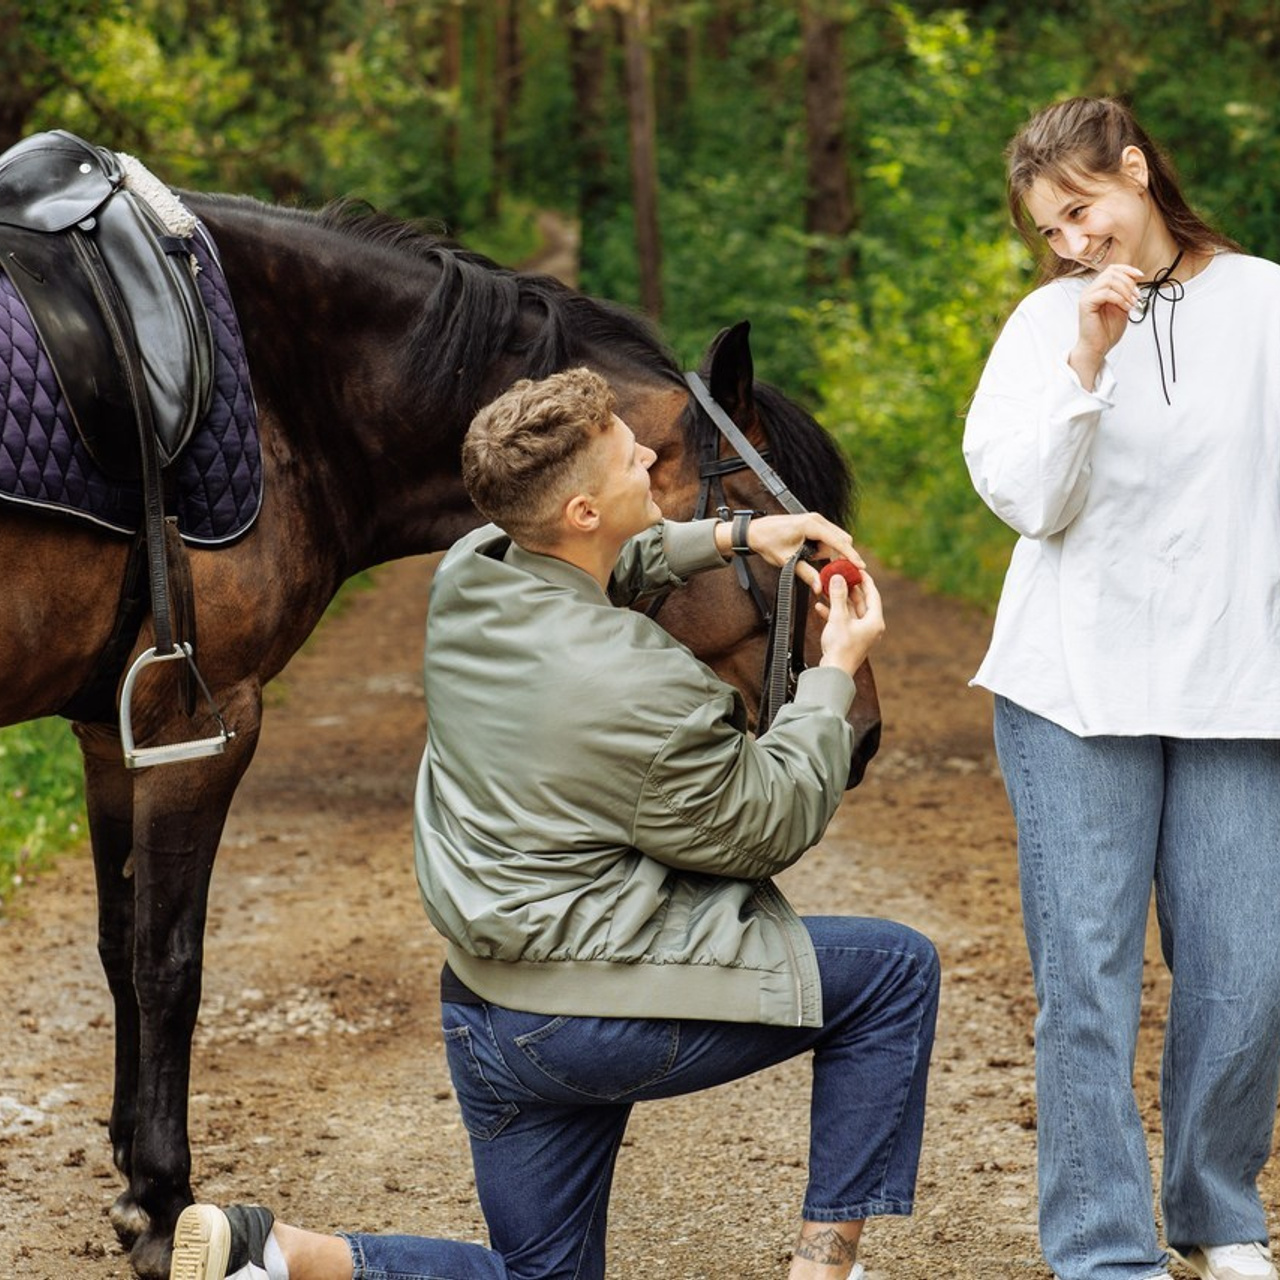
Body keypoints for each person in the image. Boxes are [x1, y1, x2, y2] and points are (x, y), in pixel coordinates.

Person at [170, 367, 940, 1280]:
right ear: (580, 510)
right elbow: (765, 823)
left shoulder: (473, 574)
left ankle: (282, 1256)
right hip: (587, 1016)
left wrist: (738, 532)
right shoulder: (646, 684)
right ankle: (826, 1269)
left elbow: (617, 562)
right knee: (894, 972)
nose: (652, 458)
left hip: (485, 1006)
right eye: (629, 459)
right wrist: (833, 674)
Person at [964, 95, 1280, 1280]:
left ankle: (1214, 1211)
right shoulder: (1043, 323)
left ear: (1135, 173)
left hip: (1237, 683)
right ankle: (1103, 1248)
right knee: (1085, 979)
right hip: (1072, 684)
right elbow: (1029, 499)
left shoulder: (1263, 303)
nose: (1069, 243)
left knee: (1244, 969)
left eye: (1080, 210)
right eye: (1048, 230)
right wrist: (1085, 356)